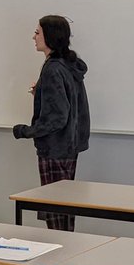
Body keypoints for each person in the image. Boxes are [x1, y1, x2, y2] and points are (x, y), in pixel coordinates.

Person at [12, 15, 90, 232]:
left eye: (37, 32)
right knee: (64, 211)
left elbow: (57, 117)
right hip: (68, 147)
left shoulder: (53, 68)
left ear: (50, 36)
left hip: (55, 148)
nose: (33, 37)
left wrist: (25, 131)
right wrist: (40, 93)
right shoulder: (67, 65)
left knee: (55, 213)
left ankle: (59, 259)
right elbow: (67, 108)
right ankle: (66, 256)